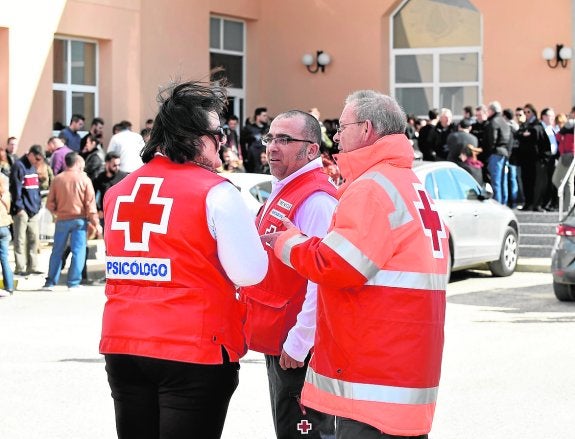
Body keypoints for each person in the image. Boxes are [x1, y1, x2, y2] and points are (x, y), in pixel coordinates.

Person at [262, 90, 449, 439]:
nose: (336, 136)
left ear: (365, 129)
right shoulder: (408, 183)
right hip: (404, 371)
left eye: (342, 127)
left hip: (373, 375)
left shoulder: (371, 188)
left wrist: (288, 242)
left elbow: (337, 266)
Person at [100, 79, 268, 439]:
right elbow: (250, 272)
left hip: (123, 342)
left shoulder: (117, 192)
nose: (223, 141)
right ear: (191, 136)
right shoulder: (217, 192)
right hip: (193, 347)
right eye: (217, 133)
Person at [240, 110, 337, 439]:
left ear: (311, 149)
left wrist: (299, 342)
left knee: (303, 432)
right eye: (270, 138)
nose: (272, 147)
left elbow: (321, 279)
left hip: (298, 349)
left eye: (285, 139)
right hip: (279, 337)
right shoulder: (285, 188)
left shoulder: (316, 199)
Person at [42, 153, 101, 291]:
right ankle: (73, 282)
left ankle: (50, 282)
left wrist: (58, 213)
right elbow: (90, 205)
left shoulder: (57, 179)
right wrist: (96, 223)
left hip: (62, 219)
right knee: (78, 252)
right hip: (79, 220)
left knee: (57, 251)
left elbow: (49, 204)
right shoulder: (84, 179)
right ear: (77, 163)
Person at [9, 145, 45, 276]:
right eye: (36, 158)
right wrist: (19, 208)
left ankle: (33, 266)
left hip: (33, 209)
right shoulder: (19, 166)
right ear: (30, 154)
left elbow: (36, 188)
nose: (37, 161)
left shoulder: (33, 166)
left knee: (34, 239)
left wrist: (38, 204)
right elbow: (15, 189)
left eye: (39, 159)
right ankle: (20, 267)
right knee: (20, 239)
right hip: (22, 210)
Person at [484, 101, 511, 205]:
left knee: (495, 182)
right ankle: (504, 203)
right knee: (502, 181)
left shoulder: (493, 122)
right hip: (504, 153)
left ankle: (497, 204)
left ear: (491, 110)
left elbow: (492, 140)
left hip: (495, 153)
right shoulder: (504, 122)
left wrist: (488, 153)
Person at [93, 152, 127, 229]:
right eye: (114, 165)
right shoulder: (99, 178)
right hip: (105, 214)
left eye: (119, 165)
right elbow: (92, 196)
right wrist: (98, 210)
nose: (117, 167)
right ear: (107, 164)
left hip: (120, 213)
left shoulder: (124, 177)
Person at [0, 174, 14, 297]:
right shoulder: (5, 194)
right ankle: (9, 287)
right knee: (4, 258)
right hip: (4, 226)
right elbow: (8, 208)